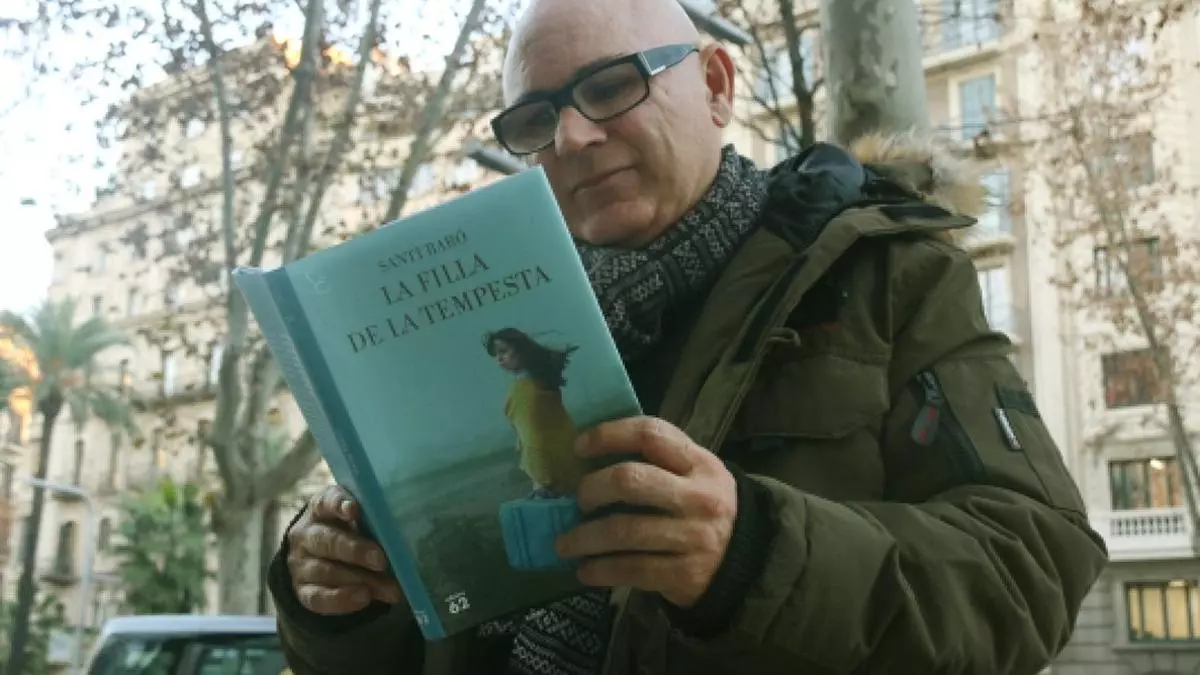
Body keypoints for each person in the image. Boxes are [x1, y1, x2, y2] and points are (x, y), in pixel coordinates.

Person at [266, 0, 1109, 672]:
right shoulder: (491, 335)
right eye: (535, 120)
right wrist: (334, 602)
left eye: (609, 87)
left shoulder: (888, 275)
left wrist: (751, 554)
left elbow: (1033, 568)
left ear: (715, 84)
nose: (572, 136)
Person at [484, 328, 586, 494]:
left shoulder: (524, 390)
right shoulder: (542, 379)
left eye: (503, 351)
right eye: (495, 355)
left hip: (552, 472)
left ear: (521, 350)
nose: (499, 359)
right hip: (572, 455)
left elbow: (533, 438)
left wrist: (542, 479)